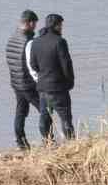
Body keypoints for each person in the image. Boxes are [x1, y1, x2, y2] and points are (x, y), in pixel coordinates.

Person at [27, 13, 76, 142]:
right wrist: (70, 82)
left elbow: (33, 64)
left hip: (42, 89)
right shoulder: (60, 42)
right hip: (58, 88)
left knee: (44, 118)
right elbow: (66, 65)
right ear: (56, 26)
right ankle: (71, 144)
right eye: (61, 25)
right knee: (65, 119)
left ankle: (47, 143)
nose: (62, 28)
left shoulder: (35, 42)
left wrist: (43, 74)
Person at [5, 10, 41, 151]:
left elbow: (10, 60)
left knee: (20, 110)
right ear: (30, 23)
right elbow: (31, 64)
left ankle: (21, 142)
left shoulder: (12, 38)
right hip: (27, 84)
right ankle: (49, 140)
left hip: (16, 82)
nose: (35, 27)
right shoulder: (28, 41)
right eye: (35, 24)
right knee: (45, 110)